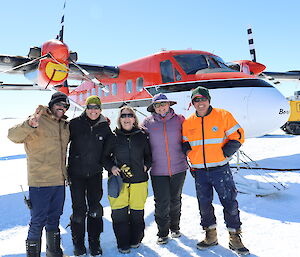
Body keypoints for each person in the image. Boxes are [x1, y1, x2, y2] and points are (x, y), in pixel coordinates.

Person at [182, 86, 249, 255]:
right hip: (200, 172)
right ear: (193, 103)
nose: (200, 103)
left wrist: (224, 153)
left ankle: (235, 237)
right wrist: (191, 155)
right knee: (204, 205)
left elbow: (239, 136)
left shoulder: (222, 115)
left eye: (203, 99)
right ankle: (210, 235)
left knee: (229, 203)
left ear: (208, 100)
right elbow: (184, 143)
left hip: (220, 169)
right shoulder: (188, 122)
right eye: (196, 100)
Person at [7, 91, 70, 257]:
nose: (62, 108)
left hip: (59, 181)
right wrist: (29, 124)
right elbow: (12, 135)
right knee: (37, 222)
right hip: (40, 182)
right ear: (51, 104)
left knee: (55, 219)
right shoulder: (38, 119)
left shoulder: (64, 125)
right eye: (58, 104)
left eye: (65, 105)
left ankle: (54, 253)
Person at [67, 95, 114, 256]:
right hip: (76, 174)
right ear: (85, 109)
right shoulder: (74, 124)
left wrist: (112, 166)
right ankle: (78, 244)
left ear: (100, 110)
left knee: (95, 210)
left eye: (96, 108)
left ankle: (95, 243)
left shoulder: (104, 127)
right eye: (90, 107)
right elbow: (59, 143)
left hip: (95, 174)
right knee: (79, 211)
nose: (93, 111)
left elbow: (109, 151)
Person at [103, 106, 152, 254]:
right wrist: (111, 168)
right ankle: (123, 243)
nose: (126, 118)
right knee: (119, 213)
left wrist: (146, 165)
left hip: (139, 181)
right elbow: (105, 157)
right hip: (119, 181)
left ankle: (136, 240)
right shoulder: (113, 136)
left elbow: (149, 156)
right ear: (120, 119)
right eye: (123, 116)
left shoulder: (142, 136)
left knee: (137, 213)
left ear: (134, 119)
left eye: (130, 115)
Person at [141, 93, 188, 245]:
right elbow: (138, 141)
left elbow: (189, 138)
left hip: (179, 167)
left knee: (175, 199)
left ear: (169, 105)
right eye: (157, 105)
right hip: (157, 169)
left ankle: (175, 227)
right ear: (153, 107)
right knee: (161, 202)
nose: (161, 107)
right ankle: (162, 232)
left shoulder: (180, 120)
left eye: (163, 104)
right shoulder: (147, 123)